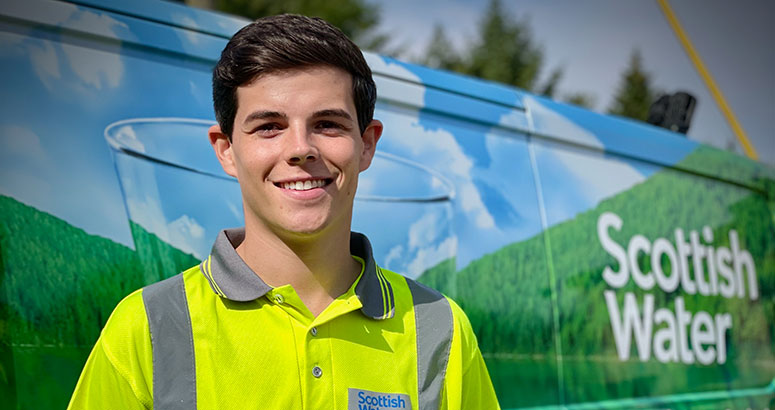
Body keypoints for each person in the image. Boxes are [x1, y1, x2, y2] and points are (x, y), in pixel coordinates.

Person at [68, 14, 500, 410]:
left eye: (328, 123)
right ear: (227, 150)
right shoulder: (145, 328)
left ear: (367, 143)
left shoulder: (441, 329)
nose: (300, 150)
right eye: (269, 127)